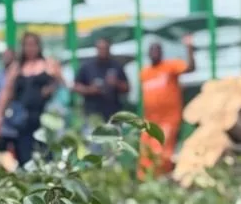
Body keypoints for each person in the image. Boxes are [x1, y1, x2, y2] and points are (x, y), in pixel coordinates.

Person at [0, 32, 63, 167]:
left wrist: (51, 87)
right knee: (25, 156)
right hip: (23, 119)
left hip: (45, 118)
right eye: (27, 45)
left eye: (33, 45)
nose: (30, 48)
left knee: (47, 156)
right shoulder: (17, 67)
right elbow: (6, 92)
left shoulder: (48, 64)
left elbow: (62, 84)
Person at [138, 33, 196, 175]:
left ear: (161, 53)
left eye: (157, 51)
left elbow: (190, 68)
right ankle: (144, 178)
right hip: (150, 120)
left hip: (168, 119)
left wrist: (189, 48)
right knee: (145, 149)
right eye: (152, 51)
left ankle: (162, 176)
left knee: (161, 148)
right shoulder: (144, 73)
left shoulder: (170, 67)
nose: (154, 53)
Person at [73, 37, 130, 125]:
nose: (103, 51)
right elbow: (75, 86)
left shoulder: (116, 65)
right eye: (100, 48)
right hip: (92, 112)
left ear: (109, 48)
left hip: (113, 113)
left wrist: (116, 83)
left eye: (105, 48)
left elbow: (127, 88)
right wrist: (89, 90)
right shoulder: (87, 66)